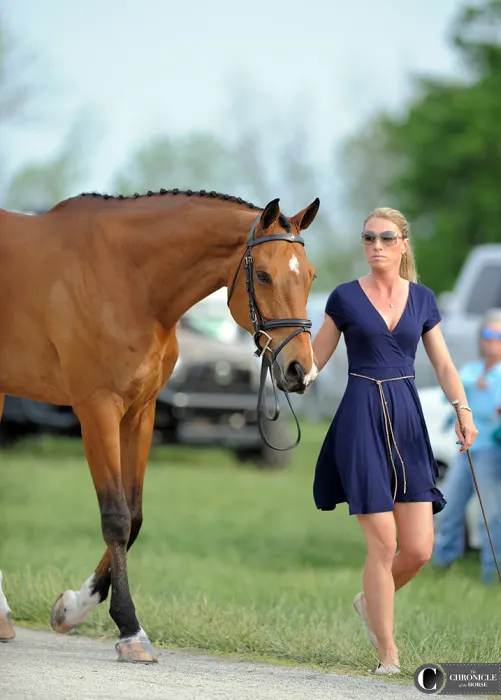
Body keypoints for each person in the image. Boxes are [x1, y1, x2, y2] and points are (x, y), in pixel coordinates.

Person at [311, 207, 478, 675]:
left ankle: (369, 602)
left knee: (419, 549)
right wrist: (291, 371)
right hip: (360, 416)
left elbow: (444, 365)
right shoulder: (344, 298)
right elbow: (315, 360)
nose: (377, 246)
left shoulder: (422, 299)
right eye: (369, 238)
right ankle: (389, 653)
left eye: (386, 238)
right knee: (383, 545)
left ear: (403, 244)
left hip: (407, 417)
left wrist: (462, 409)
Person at [432, 309, 501, 584]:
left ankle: (491, 572)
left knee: (489, 514)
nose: (492, 340)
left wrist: (476, 391)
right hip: (465, 451)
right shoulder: (472, 370)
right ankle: (442, 564)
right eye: (487, 334)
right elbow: (449, 393)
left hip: (491, 451)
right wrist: (474, 386)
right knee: (449, 509)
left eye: (498, 335)